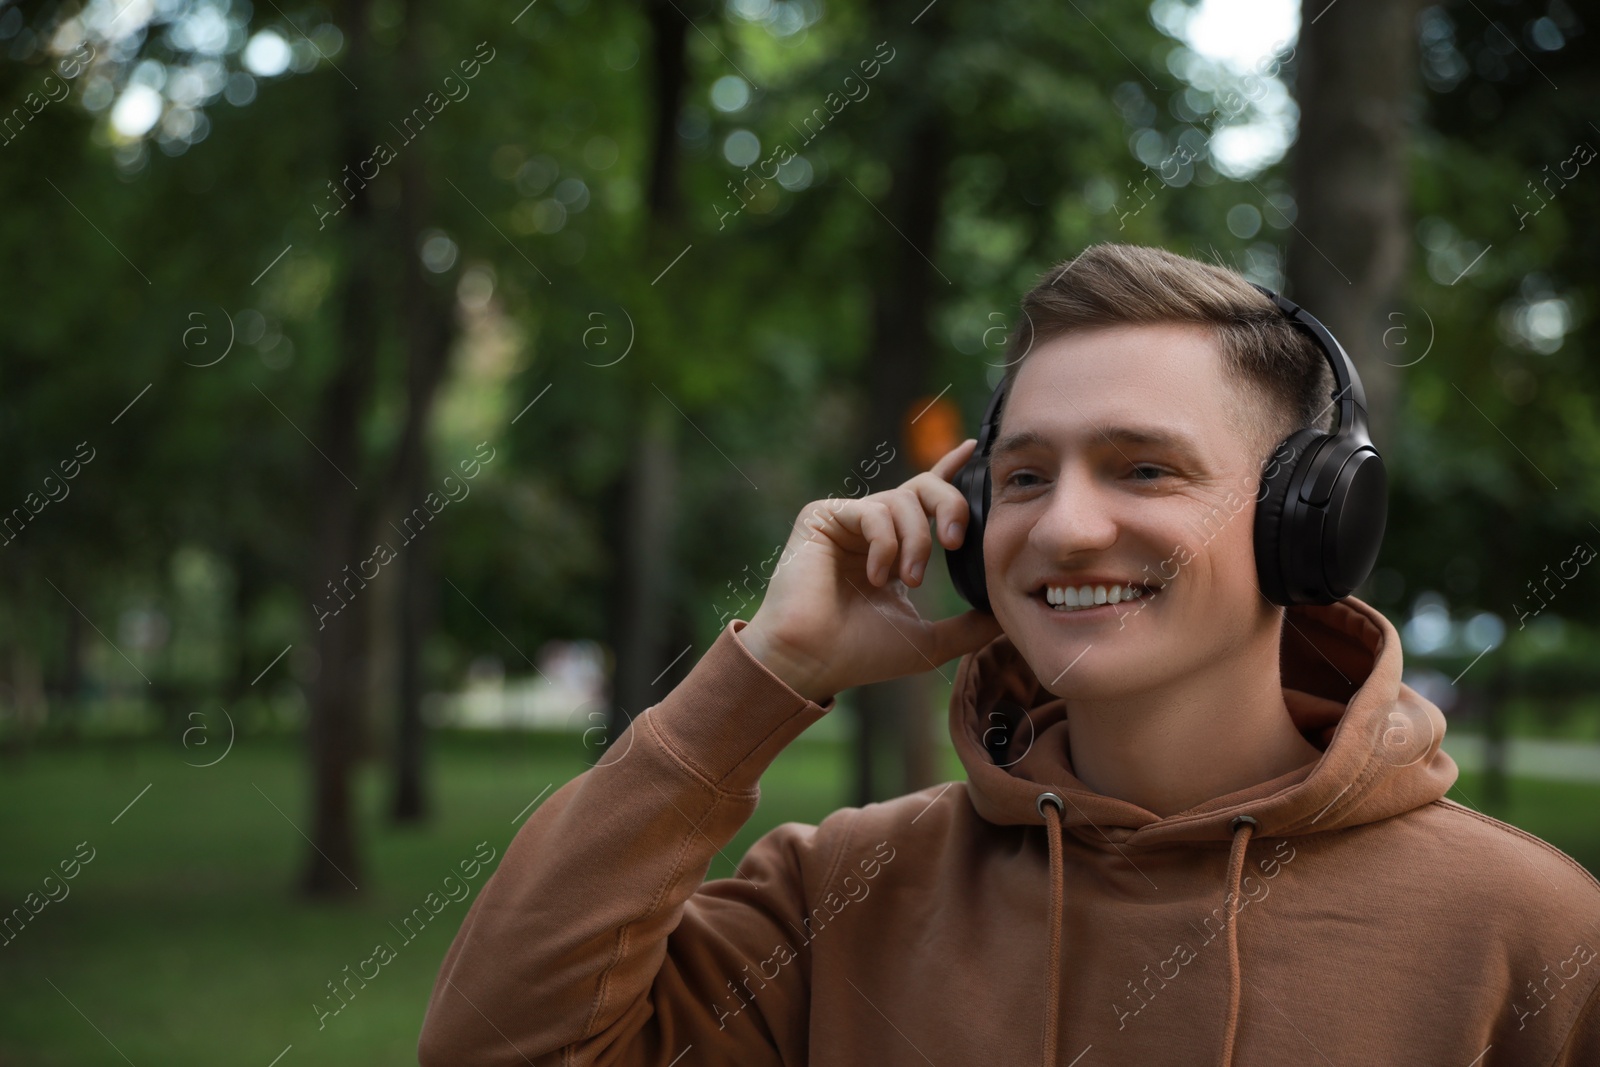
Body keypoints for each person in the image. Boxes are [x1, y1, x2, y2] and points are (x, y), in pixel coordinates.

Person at [416, 244, 1600, 1066]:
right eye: (1025, 476)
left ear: (1310, 519)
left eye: (1145, 466)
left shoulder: (1536, 934)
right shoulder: (839, 892)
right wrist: (764, 673)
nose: (1066, 525)